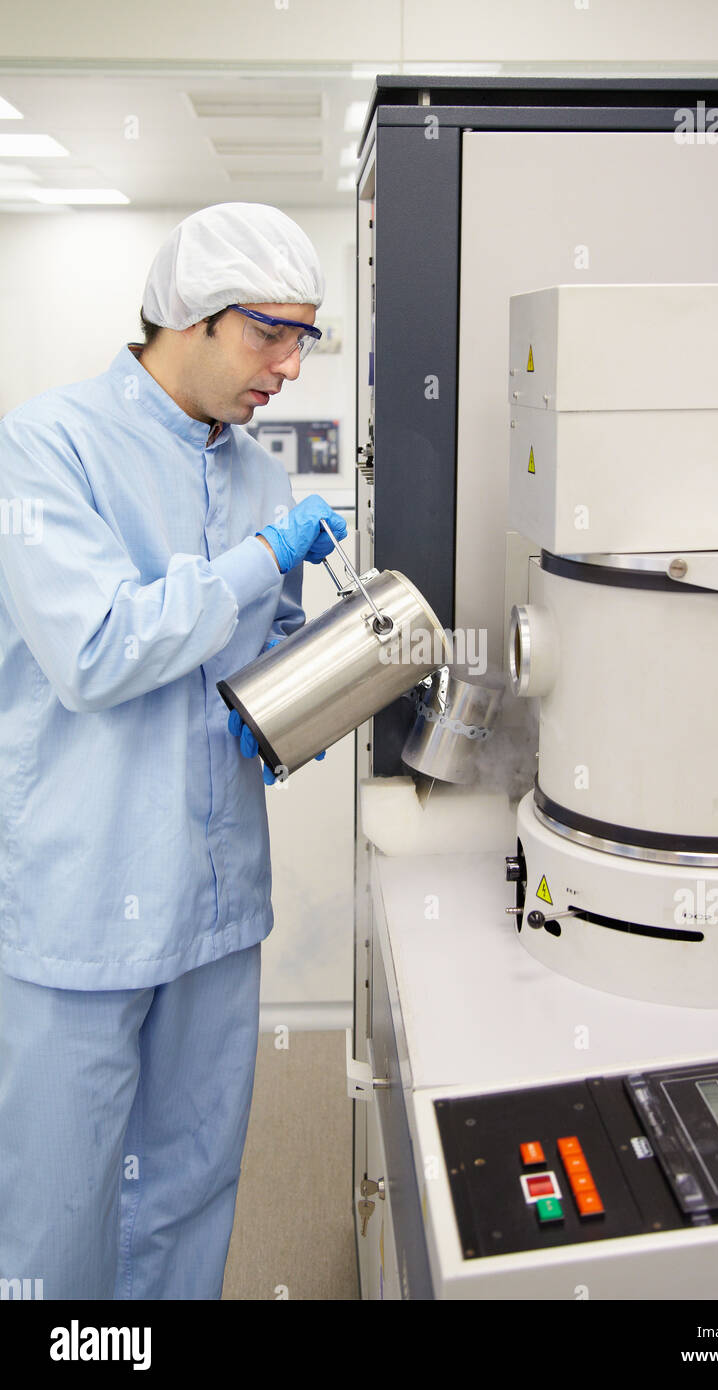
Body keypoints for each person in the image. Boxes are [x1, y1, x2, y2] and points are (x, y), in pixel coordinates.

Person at [0, 202, 347, 1299]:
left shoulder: (253, 472)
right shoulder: (45, 444)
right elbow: (98, 650)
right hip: (84, 903)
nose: (289, 367)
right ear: (190, 320)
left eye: (305, 338)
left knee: (191, 1185)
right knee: (59, 1206)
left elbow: (261, 645)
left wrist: (328, 675)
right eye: (268, 334)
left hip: (214, 901)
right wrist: (259, 560)